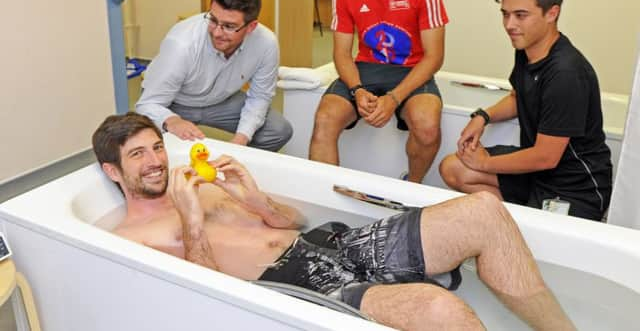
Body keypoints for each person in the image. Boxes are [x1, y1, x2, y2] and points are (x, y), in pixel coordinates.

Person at [92, 112, 576, 331]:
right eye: (138, 155)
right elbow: (201, 298)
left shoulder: (203, 184)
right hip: (294, 284)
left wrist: (257, 200)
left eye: (157, 146)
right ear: (114, 172)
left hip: (331, 244)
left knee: (483, 211)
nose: (156, 160)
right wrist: (192, 220)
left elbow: (296, 220)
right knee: (439, 310)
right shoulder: (131, 238)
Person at [439, 0, 612, 221]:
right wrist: (482, 116)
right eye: (505, 14)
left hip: (574, 186)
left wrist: (485, 163)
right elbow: (518, 97)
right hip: (537, 173)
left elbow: (546, 156)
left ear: (552, 13)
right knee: (453, 167)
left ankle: (519, 228)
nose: (510, 25)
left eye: (521, 15)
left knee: (537, 244)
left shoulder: (566, 74)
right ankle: (513, 224)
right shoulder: (527, 47)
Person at [308, 0, 447, 183]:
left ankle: (411, 187)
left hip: (411, 69)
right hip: (366, 69)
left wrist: (394, 98)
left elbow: (434, 57)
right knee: (324, 119)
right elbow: (341, 53)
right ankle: (324, 196)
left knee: (428, 126)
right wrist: (357, 90)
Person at [136, 0, 292, 152]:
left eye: (229, 26)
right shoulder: (181, 43)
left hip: (222, 101)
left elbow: (260, 96)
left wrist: (241, 140)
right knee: (146, 145)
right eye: (213, 20)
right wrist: (172, 121)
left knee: (278, 130)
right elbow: (148, 104)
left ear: (251, 27)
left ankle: (238, 169)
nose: (217, 32)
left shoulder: (266, 44)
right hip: (175, 102)